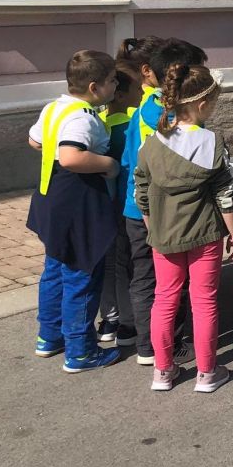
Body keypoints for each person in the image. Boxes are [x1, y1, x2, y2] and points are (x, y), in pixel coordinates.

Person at [134, 63, 233, 393]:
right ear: (202, 104)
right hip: (205, 234)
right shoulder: (212, 142)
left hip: (164, 234)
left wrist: (153, 228)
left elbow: (141, 193)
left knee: (164, 300)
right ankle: (207, 373)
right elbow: (225, 193)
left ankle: (162, 372)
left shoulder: (151, 144)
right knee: (204, 301)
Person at [26, 50, 121, 372]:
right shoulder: (83, 117)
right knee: (82, 274)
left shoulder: (54, 107)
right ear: (94, 87)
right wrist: (109, 165)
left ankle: (49, 336)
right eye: (112, 81)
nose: (116, 86)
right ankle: (81, 352)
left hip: (50, 197)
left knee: (55, 269)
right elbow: (70, 157)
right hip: (78, 205)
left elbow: (34, 141)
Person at [121, 38, 208, 366]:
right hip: (167, 211)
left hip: (135, 207)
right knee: (173, 282)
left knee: (145, 276)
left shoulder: (143, 108)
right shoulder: (178, 118)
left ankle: (146, 345)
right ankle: (168, 346)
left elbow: (128, 159)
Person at [97, 60, 141, 348]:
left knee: (108, 263)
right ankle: (128, 323)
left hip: (102, 204)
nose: (142, 93)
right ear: (121, 94)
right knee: (127, 265)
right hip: (125, 204)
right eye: (138, 89)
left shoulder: (97, 122)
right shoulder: (130, 126)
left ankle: (108, 320)